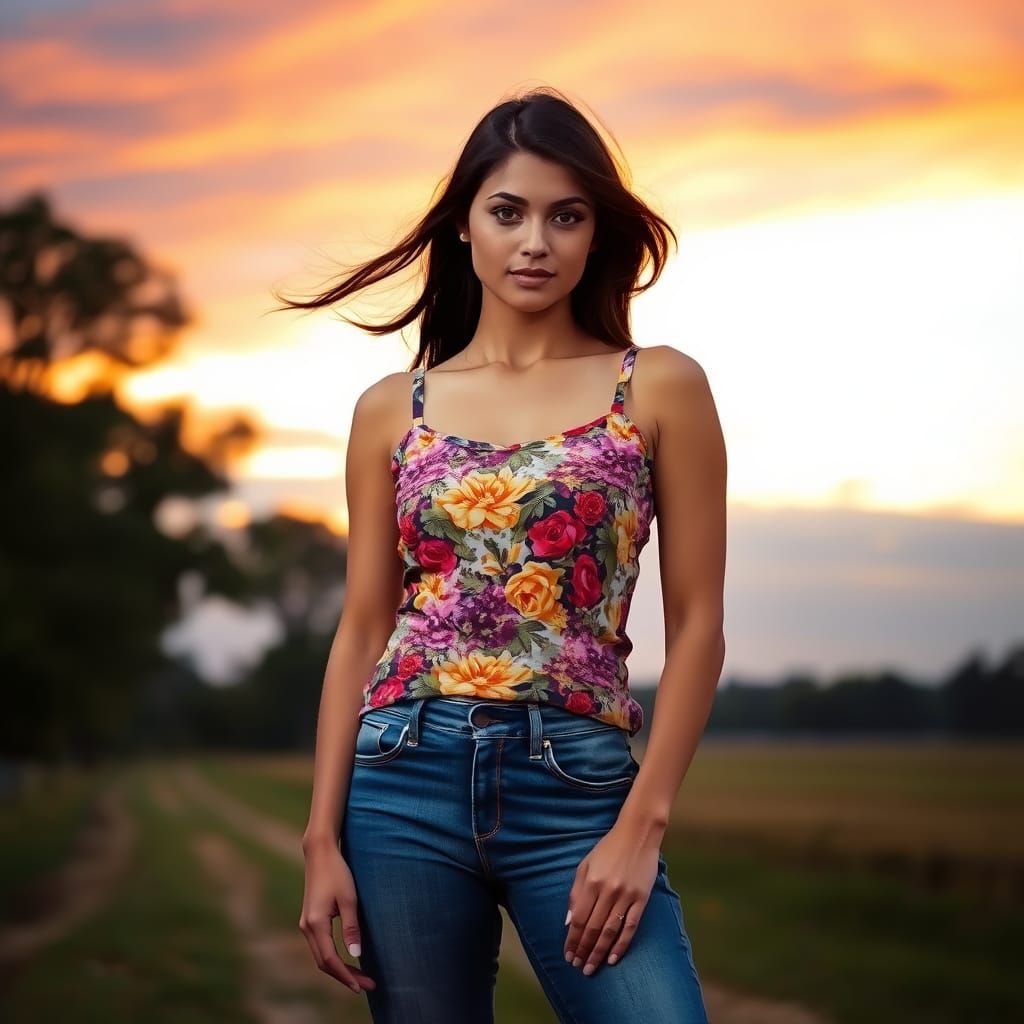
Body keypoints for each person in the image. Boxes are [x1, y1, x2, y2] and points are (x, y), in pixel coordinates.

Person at [281, 87, 727, 1023]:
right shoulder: (391, 408)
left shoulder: (657, 386)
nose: (536, 242)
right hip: (400, 779)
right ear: (464, 225)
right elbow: (361, 629)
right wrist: (322, 836)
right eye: (508, 212)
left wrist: (641, 826)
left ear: (597, 234)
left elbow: (698, 628)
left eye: (567, 216)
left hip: (576, 784)